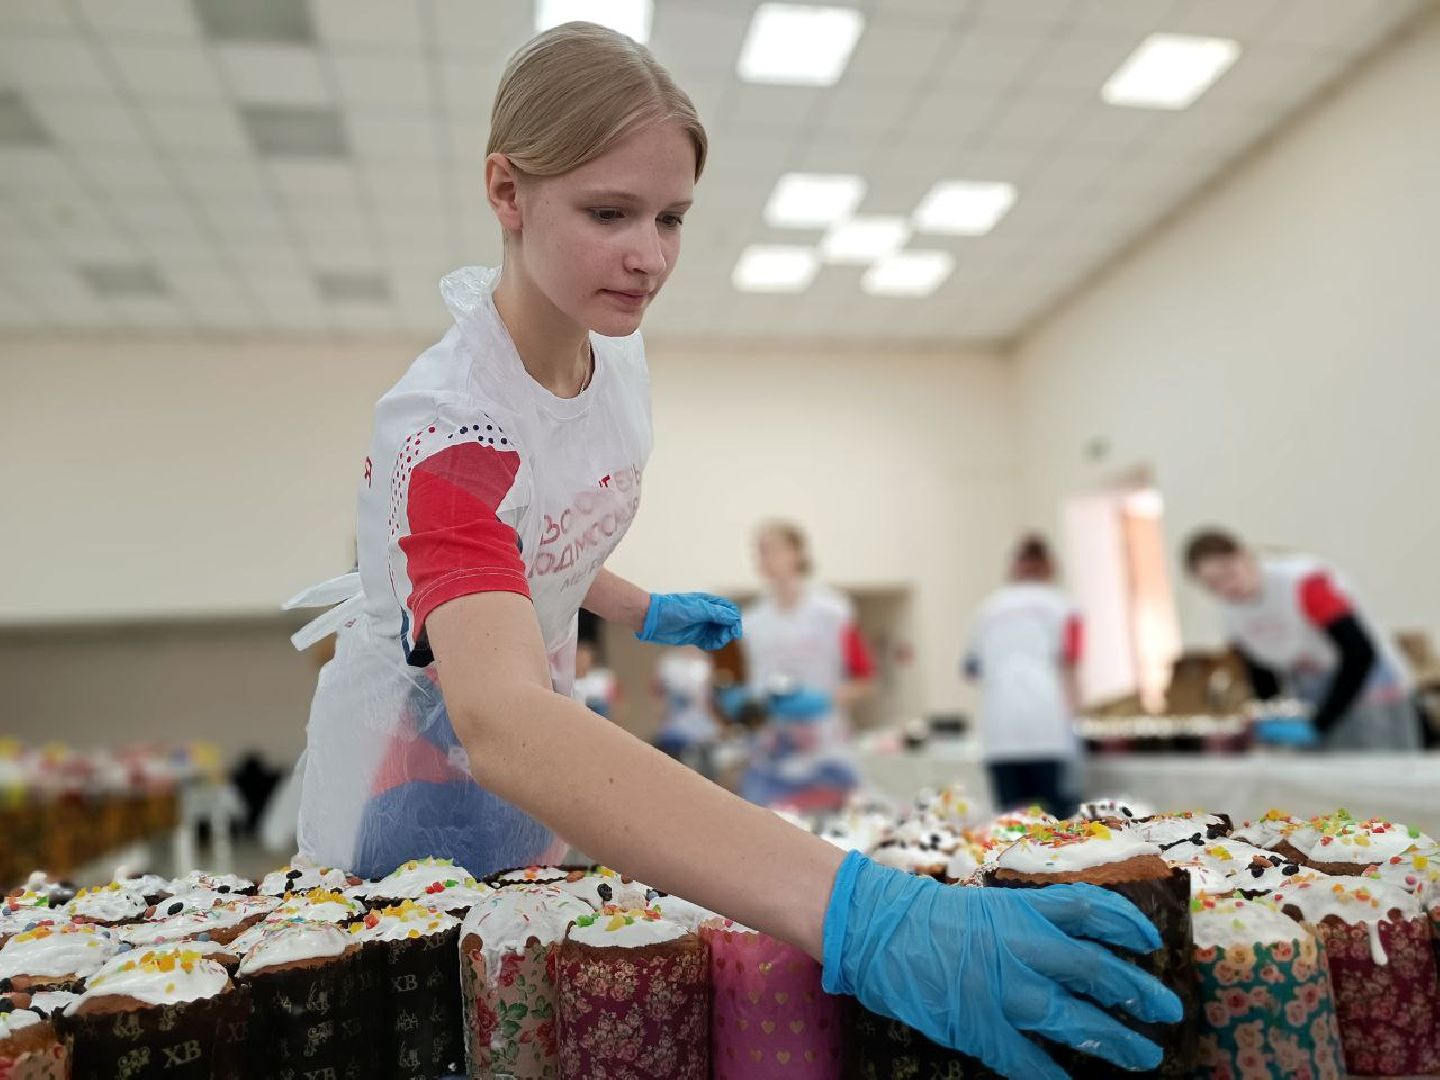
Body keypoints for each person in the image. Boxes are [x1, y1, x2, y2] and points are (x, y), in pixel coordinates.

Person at [286, 24, 1180, 1077]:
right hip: (413, 814)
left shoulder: (607, 357)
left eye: (672, 218)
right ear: (506, 191)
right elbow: (500, 719)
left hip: (542, 813)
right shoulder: (448, 429)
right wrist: (860, 912)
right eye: (610, 212)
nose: (650, 255)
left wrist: (635, 606)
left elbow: (526, 550)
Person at [1183, 527, 1420, 750]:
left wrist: (1323, 721)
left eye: (1229, 574)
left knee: (1376, 766)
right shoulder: (1229, 612)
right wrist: (1272, 720)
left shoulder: (1302, 583)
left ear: (1244, 557)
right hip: (1312, 687)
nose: (1227, 587)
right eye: (1213, 584)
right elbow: (1261, 671)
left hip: (1367, 685)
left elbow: (1358, 651)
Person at [737, 522, 874, 812]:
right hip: (773, 751)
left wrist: (823, 701)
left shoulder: (833, 612)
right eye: (759, 552)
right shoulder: (752, 621)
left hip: (826, 748)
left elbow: (865, 678)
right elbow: (750, 686)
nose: (764, 559)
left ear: (797, 553)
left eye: (771, 550)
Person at [964, 535, 1083, 815]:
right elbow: (1071, 663)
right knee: (1059, 826)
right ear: (1050, 566)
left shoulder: (987, 608)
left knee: (1010, 825)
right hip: (1048, 727)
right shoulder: (1064, 606)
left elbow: (971, 668)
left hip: (1000, 731)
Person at [652, 646, 721, 777]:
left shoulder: (704, 660)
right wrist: (662, 717)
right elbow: (658, 693)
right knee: (676, 770)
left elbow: (708, 697)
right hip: (675, 724)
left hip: (701, 723)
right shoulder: (668, 661)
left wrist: (714, 721)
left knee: (707, 768)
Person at [571, 639, 617, 718]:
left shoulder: (601, 681)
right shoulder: (565, 682)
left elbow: (614, 705)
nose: (581, 662)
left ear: (591, 660)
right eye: (578, 658)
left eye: (584, 659)